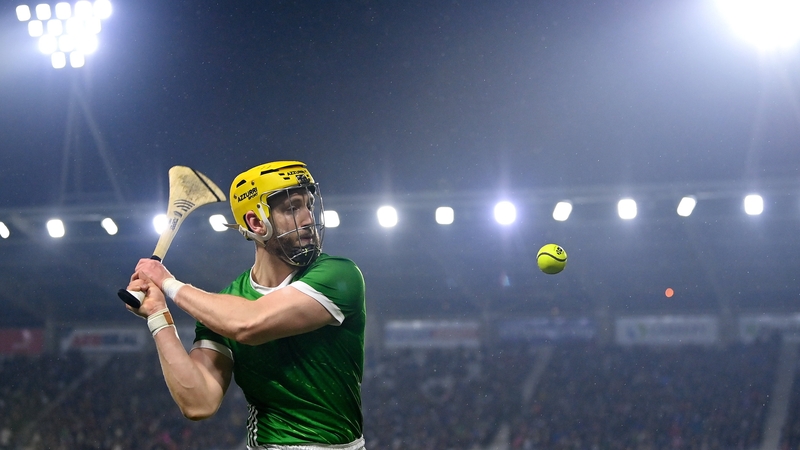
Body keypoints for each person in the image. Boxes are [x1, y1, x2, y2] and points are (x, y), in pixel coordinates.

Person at [125, 161, 367, 450]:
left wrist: (168, 283)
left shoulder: (339, 276)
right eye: (292, 208)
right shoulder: (223, 308)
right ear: (256, 223)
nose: (307, 219)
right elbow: (198, 402)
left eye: (309, 206)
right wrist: (157, 315)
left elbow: (250, 323)